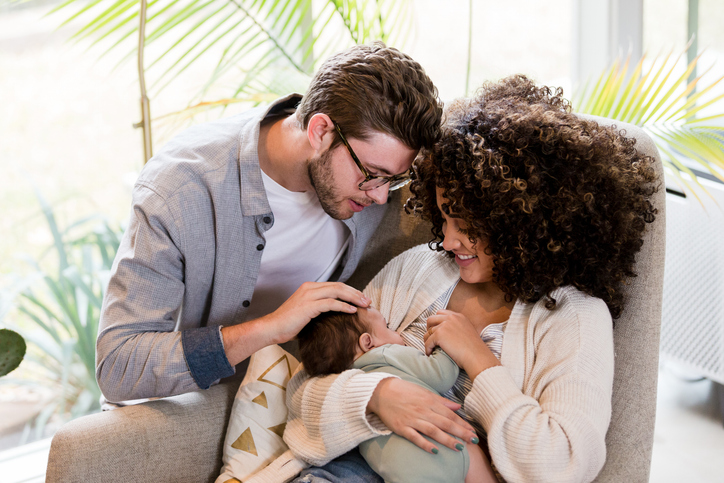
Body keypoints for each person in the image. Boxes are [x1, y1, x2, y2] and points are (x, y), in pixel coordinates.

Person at [282, 75, 659, 483]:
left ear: (521, 222)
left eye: (465, 224)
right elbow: (304, 389)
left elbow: (564, 465)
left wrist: (478, 361)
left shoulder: (574, 318)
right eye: (443, 217)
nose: (447, 239)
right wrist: (378, 395)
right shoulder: (419, 269)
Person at [94, 43, 455, 408]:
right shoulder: (183, 190)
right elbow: (118, 365)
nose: (380, 198)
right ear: (320, 131)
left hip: (304, 400)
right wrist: (272, 327)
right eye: (373, 176)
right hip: (188, 408)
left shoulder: (373, 174)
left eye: (392, 181)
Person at [293, 306, 494, 483]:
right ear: (368, 343)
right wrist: (445, 343)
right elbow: (441, 375)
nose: (397, 332)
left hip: (402, 473)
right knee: (469, 444)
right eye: (387, 326)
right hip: (448, 449)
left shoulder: (347, 392)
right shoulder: (385, 353)